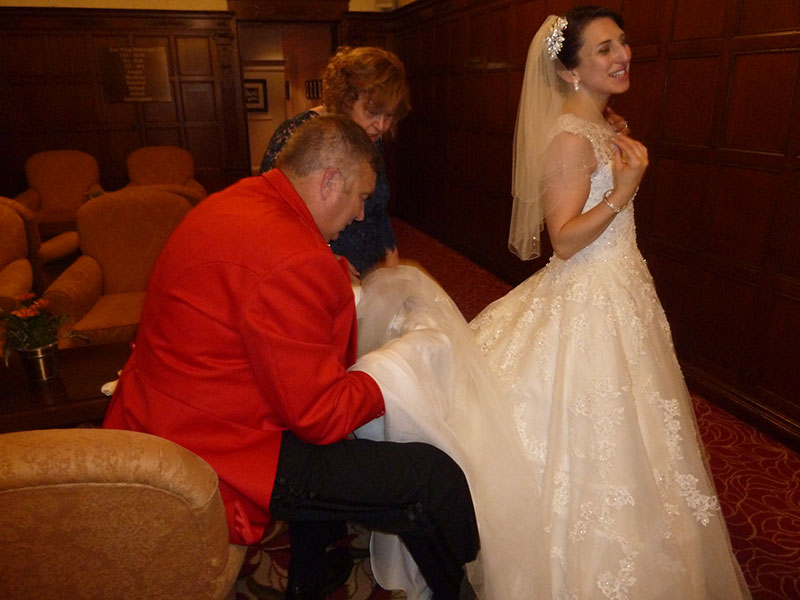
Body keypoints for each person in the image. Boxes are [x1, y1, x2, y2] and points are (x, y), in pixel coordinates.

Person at [102, 115, 479, 600]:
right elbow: (321, 419)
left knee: (363, 466)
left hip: (166, 409)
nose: (363, 215)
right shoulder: (294, 258)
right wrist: (398, 369)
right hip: (223, 446)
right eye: (361, 197)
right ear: (329, 180)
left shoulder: (236, 200)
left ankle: (316, 570)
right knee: (433, 478)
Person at [469, 6, 752, 598]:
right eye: (603, 49)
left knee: (644, 433)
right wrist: (623, 192)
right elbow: (564, 238)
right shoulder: (571, 136)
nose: (621, 54)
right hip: (590, 293)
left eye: (621, 43)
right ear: (571, 71)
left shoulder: (597, 123)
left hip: (622, 287)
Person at [259, 46, 410, 280]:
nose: (381, 126)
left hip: (366, 270)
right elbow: (275, 216)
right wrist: (328, 256)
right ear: (345, 98)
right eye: (372, 112)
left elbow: (377, 209)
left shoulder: (370, 140)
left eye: (389, 115)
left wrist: (391, 254)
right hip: (314, 270)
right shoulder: (299, 134)